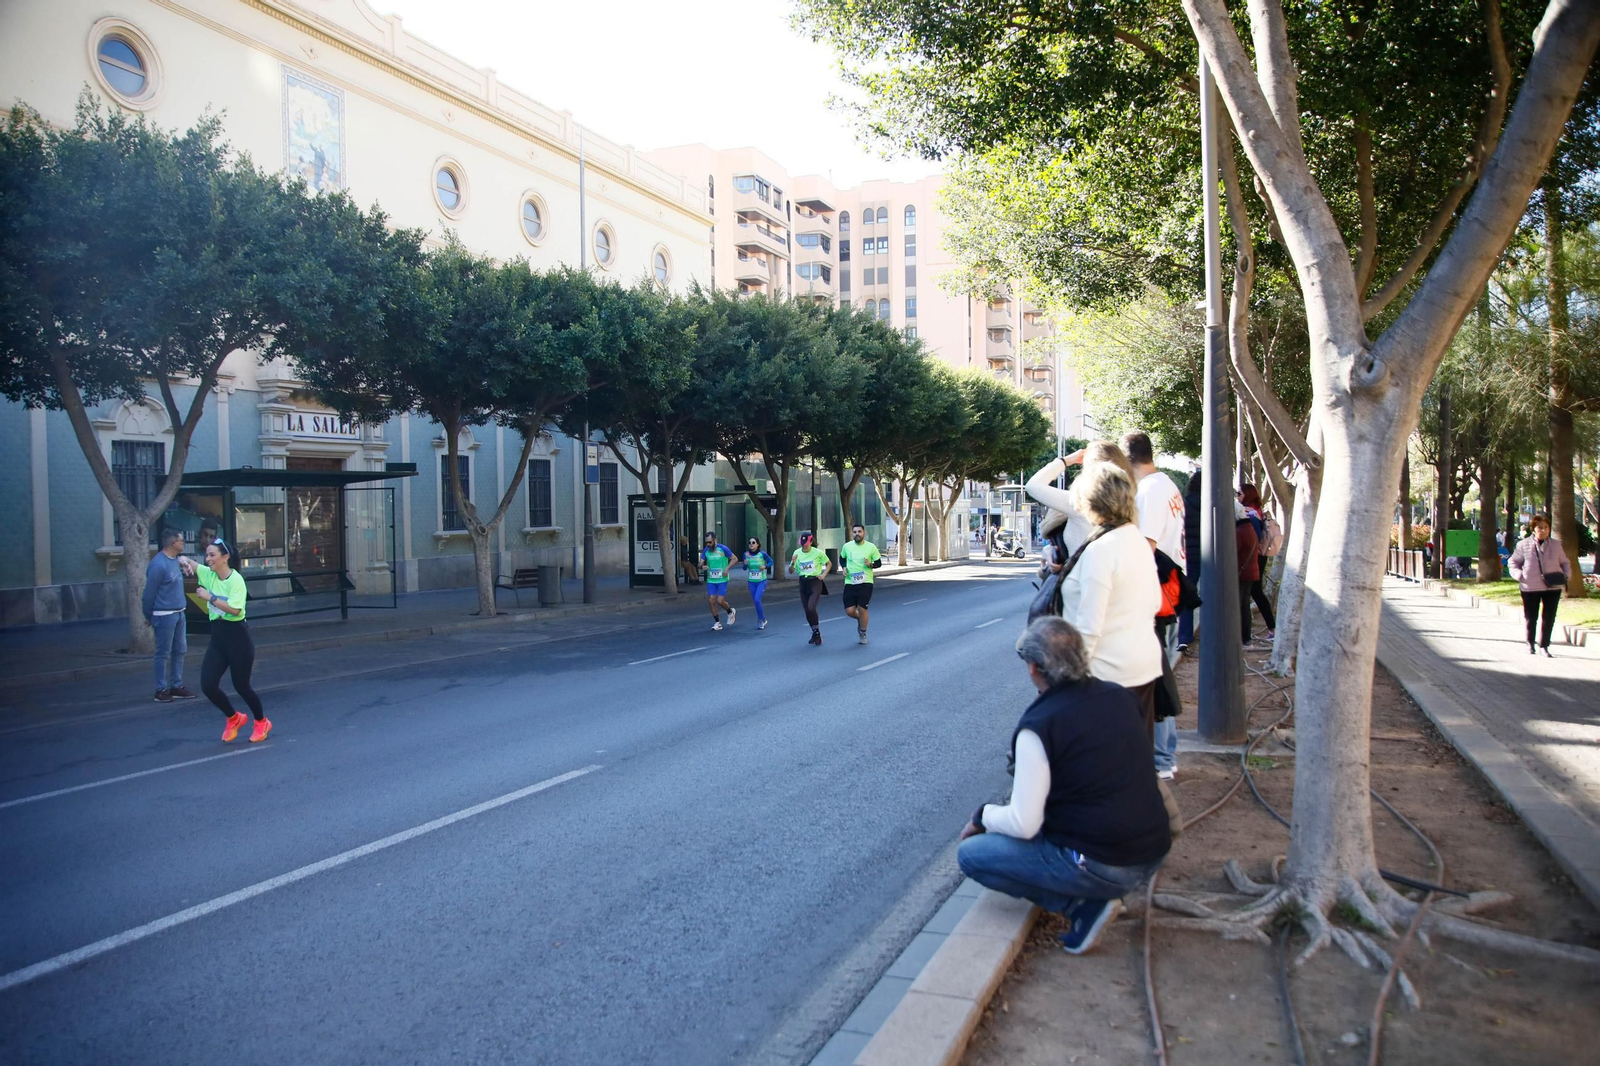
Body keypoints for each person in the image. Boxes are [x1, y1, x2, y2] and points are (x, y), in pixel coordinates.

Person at [958, 617, 1172, 954]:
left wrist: (982, 816)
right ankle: (1091, 889)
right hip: (1154, 850)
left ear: (1033, 667)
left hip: (1103, 864)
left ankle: (1081, 907)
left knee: (972, 855)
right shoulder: (1119, 695)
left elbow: (1023, 823)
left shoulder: (1039, 725)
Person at [1056, 459, 1165, 738]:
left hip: (1106, 675)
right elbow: (1154, 602)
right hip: (1143, 667)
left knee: (1102, 756)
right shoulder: (1136, 539)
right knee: (1135, 753)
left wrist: (1069, 678)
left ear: (1090, 501)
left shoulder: (1101, 550)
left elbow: (1089, 626)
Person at [1124, 432, 1185, 780]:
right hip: (1168, 592)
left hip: (1157, 594)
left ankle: (1161, 758)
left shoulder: (1148, 492)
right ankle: (1163, 754)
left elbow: (1144, 548)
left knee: (1154, 677)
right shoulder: (1165, 485)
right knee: (1160, 674)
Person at [187, 539, 272, 743]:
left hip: (237, 638)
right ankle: (234, 718)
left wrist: (210, 597)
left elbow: (235, 610)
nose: (208, 559)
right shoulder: (209, 574)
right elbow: (192, 564)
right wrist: (183, 561)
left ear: (225, 557)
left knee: (241, 686)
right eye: (206, 555)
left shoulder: (236, 580)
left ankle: (261, 721)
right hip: (218, 638)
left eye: (212, 555)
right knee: (208, 685)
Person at [143, 529, 197, 703]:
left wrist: (184, 562)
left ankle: (176, 685)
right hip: (164, 614)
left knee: (180, 650)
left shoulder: (174, 560)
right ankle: (161, 689)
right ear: (173, 543)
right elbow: (149, 593)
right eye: (181, 541)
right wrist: (149, 615)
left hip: (179, 612)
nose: (183, 543)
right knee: (163, 653)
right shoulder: (158, 565)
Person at [1507, 513, 1571, 656]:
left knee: (1549, 617)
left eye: (1546, 527)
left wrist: (1566, 575)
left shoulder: (1556, 545)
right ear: (1533, 529)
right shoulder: (1523, 545)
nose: (1543, 530)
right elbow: (1513, 562)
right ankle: (1530, 643)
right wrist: (1519, 575)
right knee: (1531, 617)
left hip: (1552, 586)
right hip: (1530, 586)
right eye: (1539, 527)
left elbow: (1565, 562)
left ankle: (1544, 645)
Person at [1237, 484, 1277, 640]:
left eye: (1239, 493)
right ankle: (1271, 628)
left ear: (1247, 495)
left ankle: (1270, 628)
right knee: (1256, 591)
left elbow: (1254, 537)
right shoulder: (1256, 511)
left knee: (1254, 592)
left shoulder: (1251, 513)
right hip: (1259, 556)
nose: (1237, 496)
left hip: (1255, 557)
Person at [839, 523, 883, 645]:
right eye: (855, 532)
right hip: (850, 581)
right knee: (849, 611)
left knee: (862, 608)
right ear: (852, 534)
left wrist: (871, 564)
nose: (857, 534)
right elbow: (842, 558)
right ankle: (860, 619)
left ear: (864, 533)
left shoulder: (871, 547)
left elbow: (878, 563)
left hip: (866, 582)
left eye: (859, 531)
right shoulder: (847, 546)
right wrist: (844, 567)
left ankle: (863, 633)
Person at [788, 531, 834, 646]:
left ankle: (816, 632)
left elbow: (829, 563)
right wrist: (793, 563)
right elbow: (791, 571)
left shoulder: (818, 553)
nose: (804, 546)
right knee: (807, 611)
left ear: (811, 542)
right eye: (802, 544)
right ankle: (815, 632)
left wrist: (823, 575)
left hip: (815, 582)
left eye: (806, 544)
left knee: (811, 607)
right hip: (803, 582)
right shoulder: (797, 553)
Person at [1178, 469, 1202, 652]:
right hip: (1212, 556)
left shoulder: (1185, 505)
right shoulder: (1214, 504)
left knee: (1187, 594)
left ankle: (1185, 637)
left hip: (1191, 555)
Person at [698, 531, 737, 631]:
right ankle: (717, 623)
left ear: (715, 540)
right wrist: (702, 566)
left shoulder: (723, 549)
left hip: (722, 579)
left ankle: (730, 611)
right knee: (711, 600)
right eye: (706, 542)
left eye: (710, 542)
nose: (708, 544)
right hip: (711, 579)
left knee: (720, 601)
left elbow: (735, 559)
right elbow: (700, 564)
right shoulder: (706, 550)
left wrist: (727, 568)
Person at [1235, 501, 1262, 645]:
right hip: (1250, 571)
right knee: (1244, 605)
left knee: (1239, 605)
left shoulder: (1240, 531)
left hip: (1242, 573)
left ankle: (1242, 637)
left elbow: (1232, 552)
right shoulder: (1249, 527)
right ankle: (1246, 637)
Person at [737, 536, 774, 631]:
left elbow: (771, 561)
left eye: (753, 542)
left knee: (757, 599)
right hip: (751, 581)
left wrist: (765, 567)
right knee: (756, 601)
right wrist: (745, 564)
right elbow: (744, 568)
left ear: (757, 544)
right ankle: (763, 619)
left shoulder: (762, 554)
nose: (751, 544)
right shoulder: (746, 554)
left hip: (761, 580)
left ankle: (760, 620)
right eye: (749, 543)